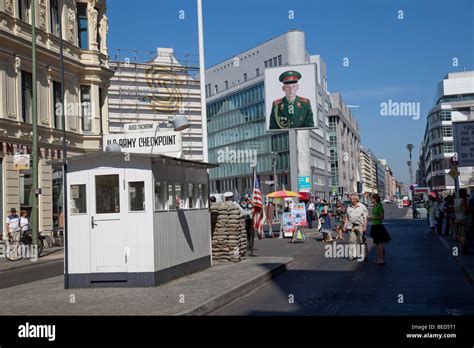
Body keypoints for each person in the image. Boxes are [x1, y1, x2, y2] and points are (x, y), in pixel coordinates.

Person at [345, 196, 368, 262]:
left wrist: (365, 226)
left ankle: (364, 255)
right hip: (351, 226)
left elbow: (365, 217)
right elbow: (347, 217)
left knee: (362, 241)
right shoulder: (349, 207)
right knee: (351, 241)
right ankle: (352, 255)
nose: (350, 200)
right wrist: (345, 225)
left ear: (356, 200)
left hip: (360, 226)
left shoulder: (362, 206)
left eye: (352, 199)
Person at [369, 194, 391, 265]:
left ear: (375, 199)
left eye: (372, 199)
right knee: (377, 243)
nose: (371, 200)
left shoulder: (379, 206)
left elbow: (382, 217)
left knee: (379, 243)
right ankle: (379, 258)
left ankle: (381, 259)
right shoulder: (375, 206)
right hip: (374, 226)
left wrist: (372, 218)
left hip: (378, 226)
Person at [455, 188, 471, 255]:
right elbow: (465, 210)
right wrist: (471, 208)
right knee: (464, 235)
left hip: (457, 219)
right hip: (463, 219)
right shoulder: (462, 200)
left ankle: (461, 248)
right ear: (464, 193)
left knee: (459, 234)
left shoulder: (456, 200)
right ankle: (464, 249)